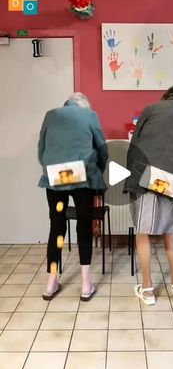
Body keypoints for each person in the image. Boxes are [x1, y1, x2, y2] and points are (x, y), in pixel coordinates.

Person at [124, 85, 173, 305]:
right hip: (172, 178)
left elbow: (134, 146)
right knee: (169, 231)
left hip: (145, 173)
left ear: (165, 98)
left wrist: (133, 174)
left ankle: (147, 290)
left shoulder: (151, 110)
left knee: (143, 232)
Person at [38, 92, 108, 301]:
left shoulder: (50, 115)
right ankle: (86, 284)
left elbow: (41, 150)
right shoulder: (90, 116)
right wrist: (98, 172)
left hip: (56, 178)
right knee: (84, 226)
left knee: (57, 227)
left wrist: (51, 170)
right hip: (81, 179)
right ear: (84, 107)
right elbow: (102, 149)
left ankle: (51, 281)